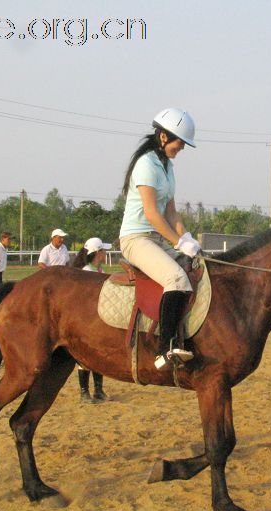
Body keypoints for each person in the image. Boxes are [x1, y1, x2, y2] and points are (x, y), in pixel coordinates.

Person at [118, 107, 201, 371]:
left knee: (196, 268)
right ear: (164, 137)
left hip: (157, 239)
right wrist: (178, 243)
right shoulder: (146, 164)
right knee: (176, 278)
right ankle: (164, 349)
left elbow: (172, 212)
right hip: (136, 239)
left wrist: (186, 237)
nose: (182, 148)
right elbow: (153, 214)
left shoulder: (167, 167)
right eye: (180, 142)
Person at [71, 237, 112, 403]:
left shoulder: (98, 271)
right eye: (104, 250)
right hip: (86, 319)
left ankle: (98, 390)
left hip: (97, 318)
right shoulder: (87, 272)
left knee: (97, 356)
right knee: (84, 358)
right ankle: (84, 392)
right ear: (98, 252)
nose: (106, 253)